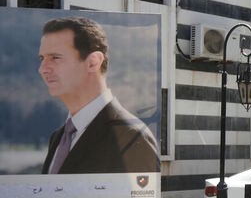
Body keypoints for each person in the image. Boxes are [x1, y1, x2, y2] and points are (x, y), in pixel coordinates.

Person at [38, 17, 160, 174]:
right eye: (42, 58)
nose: (42, 69)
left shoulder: (132, 138)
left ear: (93, 62)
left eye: (55, 57)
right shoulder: (58, 137)